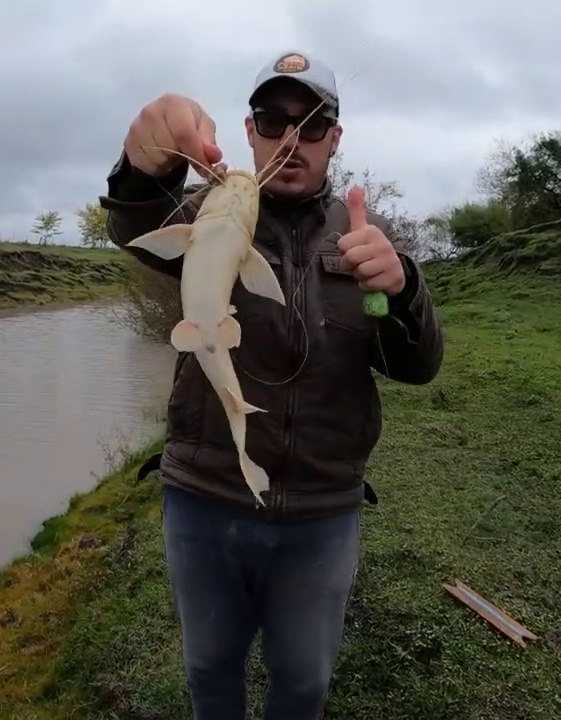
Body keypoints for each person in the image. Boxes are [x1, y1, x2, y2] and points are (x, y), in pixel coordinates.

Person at [97, 50, 444, 720]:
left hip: (323, 512)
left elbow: (419, 365)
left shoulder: (365, 238)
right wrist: (146, 165)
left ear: (334, 138)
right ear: (248, 131)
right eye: (271, 119)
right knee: (209, 672)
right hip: (204, 501)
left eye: (310, 125)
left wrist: (401, 291)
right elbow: (136, 225)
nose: (290, 138)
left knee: (305, 683)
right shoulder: (205, 210)